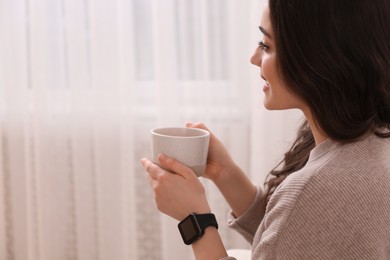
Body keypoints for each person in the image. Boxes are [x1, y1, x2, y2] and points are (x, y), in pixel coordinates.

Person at [140, 0, 390, 258]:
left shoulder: (321, 186)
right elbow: (304, 240)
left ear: (319, 57)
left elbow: (304, 222)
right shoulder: (372, 143)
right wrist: (226, 174)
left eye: (266, 45)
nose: (254, 58)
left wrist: (195, 221)